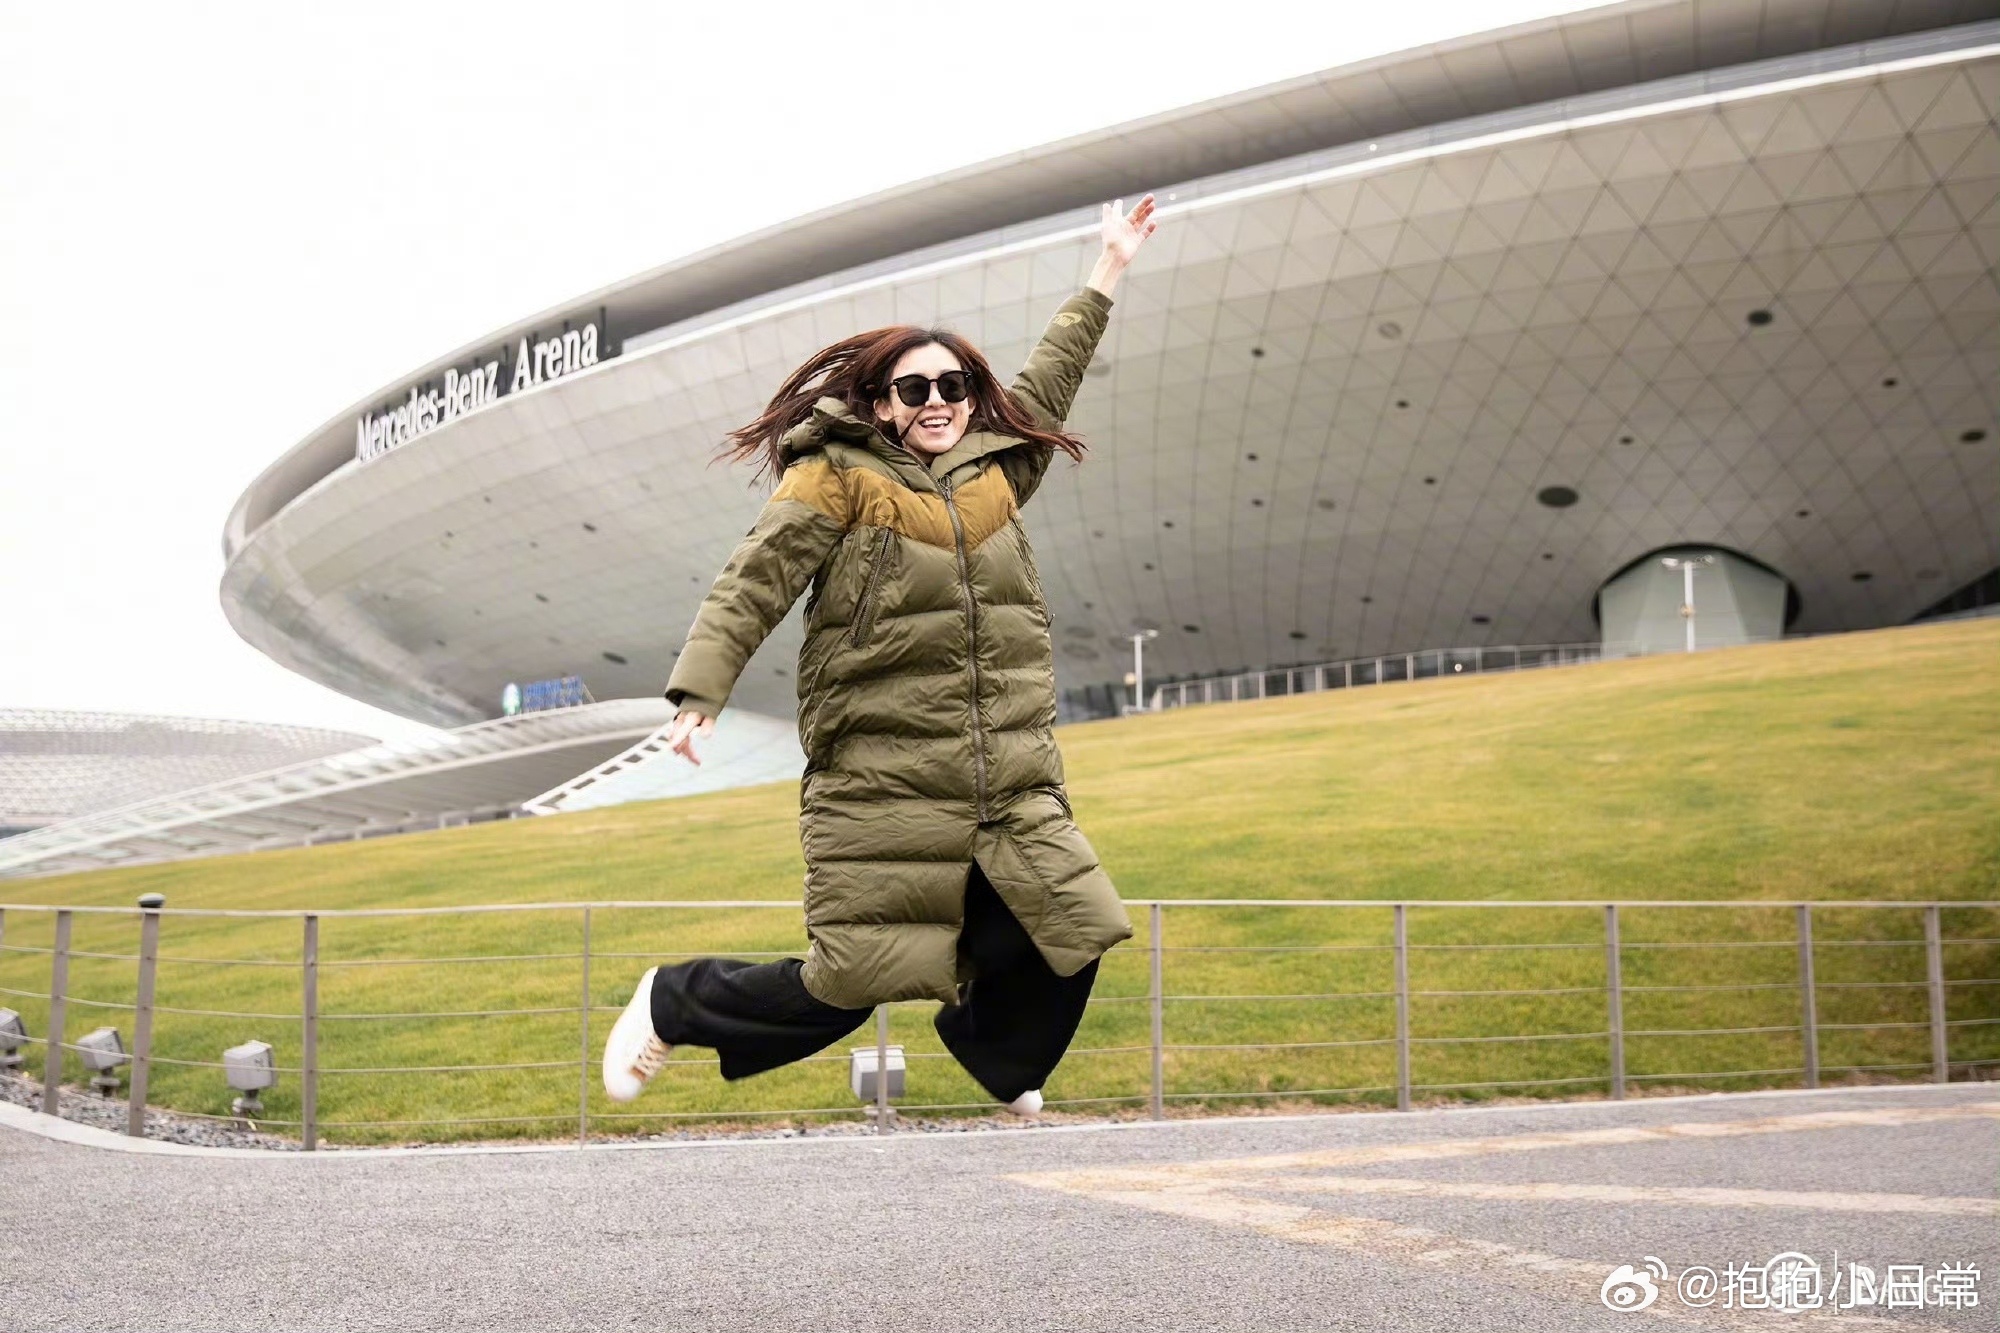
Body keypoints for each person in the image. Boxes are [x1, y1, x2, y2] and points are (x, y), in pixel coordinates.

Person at [603, 196, 1161, 1117]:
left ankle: (998, 1058)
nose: (937, 401)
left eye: (952, 386)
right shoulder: (836, 476)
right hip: (884, 777)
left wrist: (1109, 266)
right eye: (915, 389)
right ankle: (674, 1001)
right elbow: (755, 579)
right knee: (847, 983)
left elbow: (1051, 378)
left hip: (1006, 776)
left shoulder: (996, 473)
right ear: (880, 403)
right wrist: (700, 691)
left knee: (1073, 924)